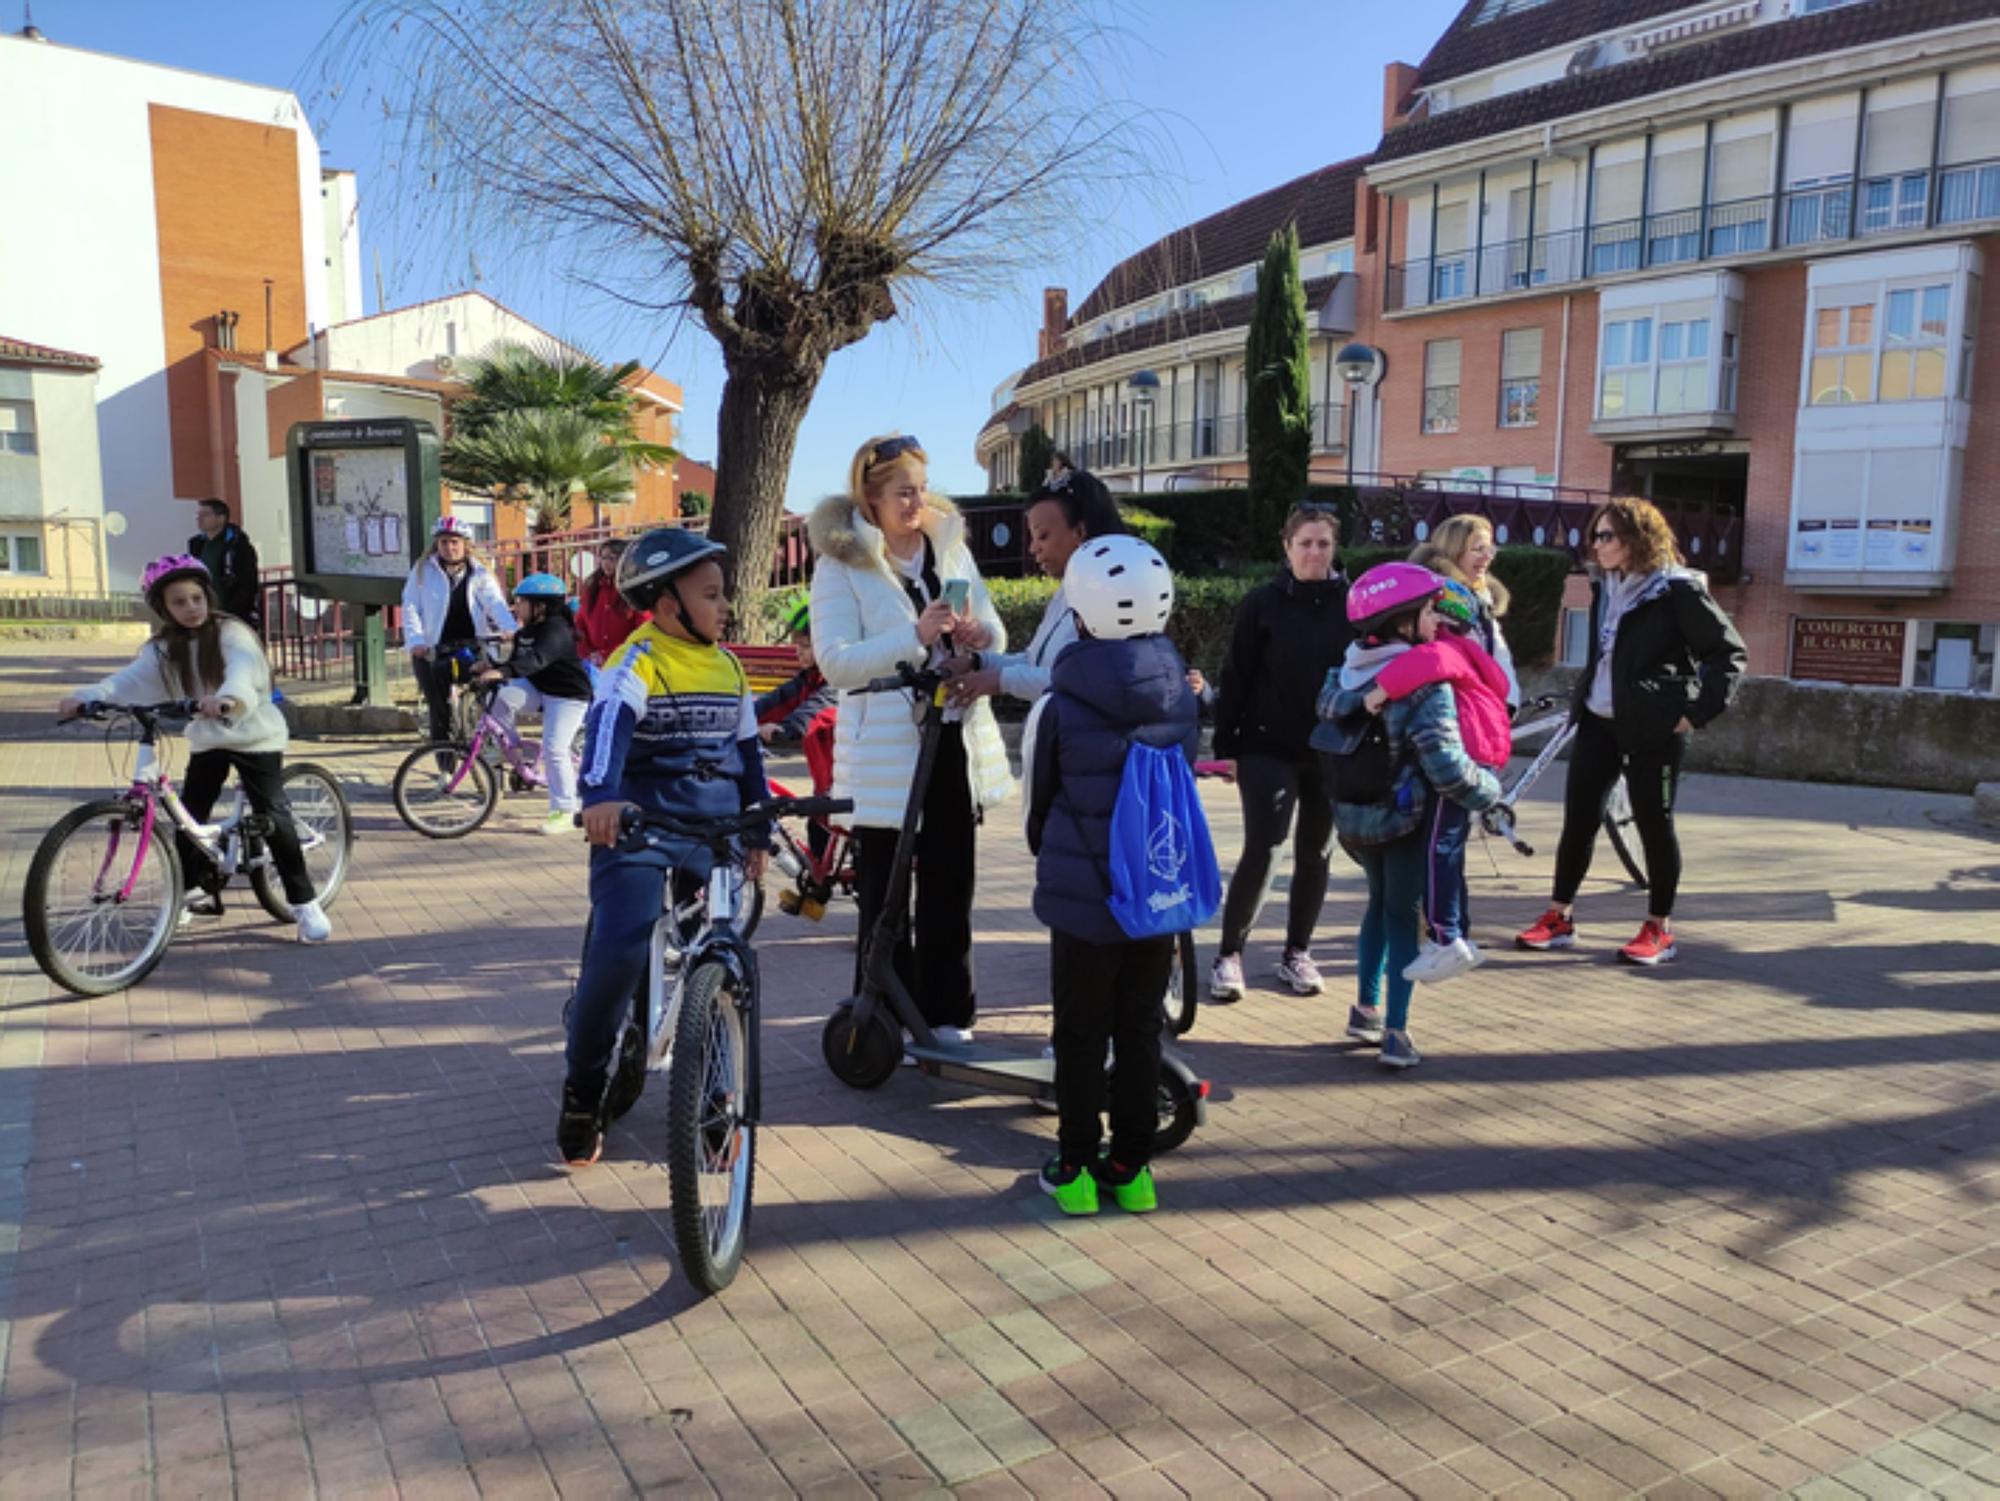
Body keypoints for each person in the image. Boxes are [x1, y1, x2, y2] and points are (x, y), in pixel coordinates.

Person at [560, 528, 770, 1166]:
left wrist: (757, 829)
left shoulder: (728, 667)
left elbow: (749, 757)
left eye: (723, 594)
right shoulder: (637, 661)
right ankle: (583, 1086)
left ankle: (716, 1094)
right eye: (711, 595)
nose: (725, 605)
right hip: (641, 829)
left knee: (727, 957)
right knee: (620, 948)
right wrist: (599, 797)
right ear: (667, 603)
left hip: (715, 837)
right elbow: (606, 736)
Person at [807, 433, 1014, 1043]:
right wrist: (916, 638)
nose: (916, 504)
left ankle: (949, 1014)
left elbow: (996, 630)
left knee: (952, 879)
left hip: (951, 734)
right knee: (884, 890)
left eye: (922, 490)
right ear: (869, 498)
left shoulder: (947, 548)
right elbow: (835, 663)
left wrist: (979, 639)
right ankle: (882, 1020)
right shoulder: (840, 563)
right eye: (903, 493)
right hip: (887, 751)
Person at [1027, 536, 1200, 1216]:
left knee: (1078, 1033)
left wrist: (1061, 856)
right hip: (1154, 892)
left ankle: (1072, 1168)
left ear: (1079, 613)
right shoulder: (1179, 697)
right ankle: (1131, 1170)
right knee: (1137, 1030)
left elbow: (1040, 804)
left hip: (1083, 896)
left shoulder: (1060, 702)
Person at [1515, 497, 1745, 967]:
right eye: (1595, 536)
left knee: (1654, 825)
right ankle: (1560, 917)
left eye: (1607, 536)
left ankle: (1659, 927)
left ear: (1636, 540)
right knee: (1579, 820)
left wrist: (1693, 714)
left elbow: (1728, 653)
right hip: (1599, 721)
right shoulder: (1608, 584)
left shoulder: (1677, 590)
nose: (1596, 545)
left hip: (1652, 728)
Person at [59, 555, 331, 943]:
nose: (190, 608)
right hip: (208, 737)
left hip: (254, 735)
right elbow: (128, 681)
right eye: (179, 602)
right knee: (190, 815)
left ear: (207, 596)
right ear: (163, 608)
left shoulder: (230, 631)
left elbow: (242, 668)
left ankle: (304, 903)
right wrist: (87, 697)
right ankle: (189, 892)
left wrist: (227, 698)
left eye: (196, 598)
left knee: (271, 813)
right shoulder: (161, 648)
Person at [1317, 564, 1501, 1069]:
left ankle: (1364, 1008)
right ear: (1403, 621)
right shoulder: (1423, 682)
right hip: (1403, 820)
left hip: (1354, 817)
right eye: (1426, 611)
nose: (1434, 620)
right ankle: (1395, 1032)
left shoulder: (1344, 672)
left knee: (1377, 907)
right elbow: (1446, 767)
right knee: (1402, 917)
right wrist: (1491, 793)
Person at [1209, 503, 1353, 1001]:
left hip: (1332, 749)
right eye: (1305, 543)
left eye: (1323, 544)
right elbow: (1236, 677)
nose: (1314, 553)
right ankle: (1229, 955)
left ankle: (1297, 952)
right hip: (1266, 746)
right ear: (1287, 546)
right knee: (1265, 848)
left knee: (1317, 852)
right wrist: (1227, 746)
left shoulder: (1354, 604)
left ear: (1335, 549)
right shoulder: (1262, 604)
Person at [1362, 580, 1512, 983]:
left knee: (1437, 846)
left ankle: (1446, 938)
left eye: (1431, 613)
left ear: (1443, 621)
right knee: (1449, 844)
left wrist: (1379, 690)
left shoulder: (1443, 648)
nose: (1426, 620)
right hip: (1482, 751)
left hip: (1466, 753)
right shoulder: (1468, 651)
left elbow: (1422, 664)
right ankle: (1455, 931)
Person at [943, 467, 1125, 711]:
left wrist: (999, 680)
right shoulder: (1069, 591)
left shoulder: (1117, 598)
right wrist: (978, 662)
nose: (1033, 548)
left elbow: (1087, 682)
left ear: (1080, 531)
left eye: (1042, 536)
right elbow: (1034, 661)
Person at [478, 573, 592, 835]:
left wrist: (504, 672)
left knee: (555, 749)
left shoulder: (557, 631)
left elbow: (537, 660)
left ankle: (565, 810)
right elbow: (518, 664)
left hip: (568, 697)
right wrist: (493, 668)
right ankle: (515, 749)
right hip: (539, 688)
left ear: (541, 606)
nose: (516, 607)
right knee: (499, 695)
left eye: (521, 602)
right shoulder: (525, 632)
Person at [401, 516, 516, 742]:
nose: (449, 548)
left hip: (472, 645)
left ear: (465, 544)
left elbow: (494, 602)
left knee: (493, 694)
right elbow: (411, 604)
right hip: (434, 647)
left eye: (455, 542)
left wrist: (509, 628)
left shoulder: (479, 571)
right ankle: (445, 766)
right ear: (437, 545)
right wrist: (416, 641)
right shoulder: (423, 569)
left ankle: (495, 747)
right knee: (439, 708)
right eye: (444, 542)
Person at [1410, 514, 1519, 707]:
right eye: (1478, 549)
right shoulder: (1439, 602)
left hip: (1486, 707)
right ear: (1453, 551)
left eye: (1490, 549)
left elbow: (1496, 656)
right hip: (1457, 711)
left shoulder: (1478, 598)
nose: (1488, 556)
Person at [755, 594, 836, 749]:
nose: (798, 652)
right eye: (797, 646)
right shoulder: (807, 679)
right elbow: (777, 700)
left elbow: (817, 708)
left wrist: (787, 729)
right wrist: (742, 719)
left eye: (806, 646)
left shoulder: (838, 682)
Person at [188, 498, 262, 631]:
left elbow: (248, 583)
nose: (199, 519)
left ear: (221, 518)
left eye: (205, 515)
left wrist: (233, 610)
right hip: (204, 612)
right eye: (198, 515)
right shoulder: (197, 544)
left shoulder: (238, 546)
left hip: (231, 613)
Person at [575, 536, 643, 666]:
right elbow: (580, 625)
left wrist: (608, 655)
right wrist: (588, 653)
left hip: (626, 662)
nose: (606, 563)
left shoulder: (634, 590)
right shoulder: (592, 588)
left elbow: (642, 629)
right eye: (603, 558)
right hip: (592, 663)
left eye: (612, 558)